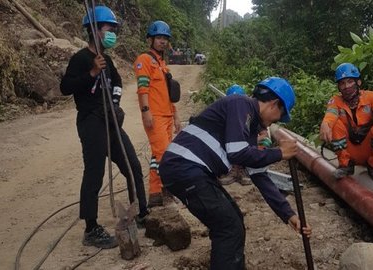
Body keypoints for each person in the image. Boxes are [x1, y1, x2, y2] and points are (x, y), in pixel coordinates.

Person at [159, 77, 312, 269]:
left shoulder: (248, 128)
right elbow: (237, 151)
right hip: (184, 167)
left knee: (233, 221)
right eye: (279, 117)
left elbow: (259, 176)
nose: (274, 123)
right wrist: (279, 153)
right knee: (228, 227)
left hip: (193, 171)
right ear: (274, 104)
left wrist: (289, 215)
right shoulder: (241, 104)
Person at [60, 5, 148, 249]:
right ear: (95, 30)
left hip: (110, 121)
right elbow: (65, 87)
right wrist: (91, 72)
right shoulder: (81, 59)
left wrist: (116, 105)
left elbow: (117, 83)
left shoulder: (108, 59)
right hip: (90, 122)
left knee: (132, 163)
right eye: (109, 28)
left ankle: (140, 212)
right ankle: (91, 229)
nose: (112, 33)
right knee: (94, 173)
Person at [319, 63, 373, 181]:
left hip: (368, 147)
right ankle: (346, 165)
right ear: (339, 87)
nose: (346, 86)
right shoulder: (335, 100)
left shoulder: (372, 97)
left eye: (350, 81)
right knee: (333, 125)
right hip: (349, 149)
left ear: (358, 82)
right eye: (342, 83)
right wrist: (325, 124)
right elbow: (331, 114)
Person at [133, 20, 181, 208]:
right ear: (150, 39)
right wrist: (145, 112)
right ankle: (166, 191)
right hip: (155, 116)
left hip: (167, 115)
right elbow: (142, 89)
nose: (162, 41)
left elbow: (168, 94)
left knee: (157, 156)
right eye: (159, 38)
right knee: (165, 156)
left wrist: (175, 115)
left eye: (165, 38)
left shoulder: (161, 63)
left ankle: (154, 195)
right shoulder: (144, 60)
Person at [219, 84, 252, 186]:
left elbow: (263, 135)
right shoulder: (222, 115)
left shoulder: (250, 116)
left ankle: (242, 170)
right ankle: (230, 169)